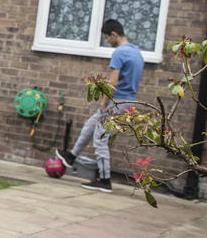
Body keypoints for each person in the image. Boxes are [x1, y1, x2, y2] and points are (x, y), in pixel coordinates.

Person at [57, 19, 145, 192]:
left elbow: (113, 81)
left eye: (107, 38)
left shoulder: (120, 53)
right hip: (128, 101)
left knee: (100, 140)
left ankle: (105, 181)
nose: (107, 42)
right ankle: (72, 156)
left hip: (116, 101)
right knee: (90, 125)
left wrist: (104, 102)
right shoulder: (136, 52)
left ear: (114, 34)